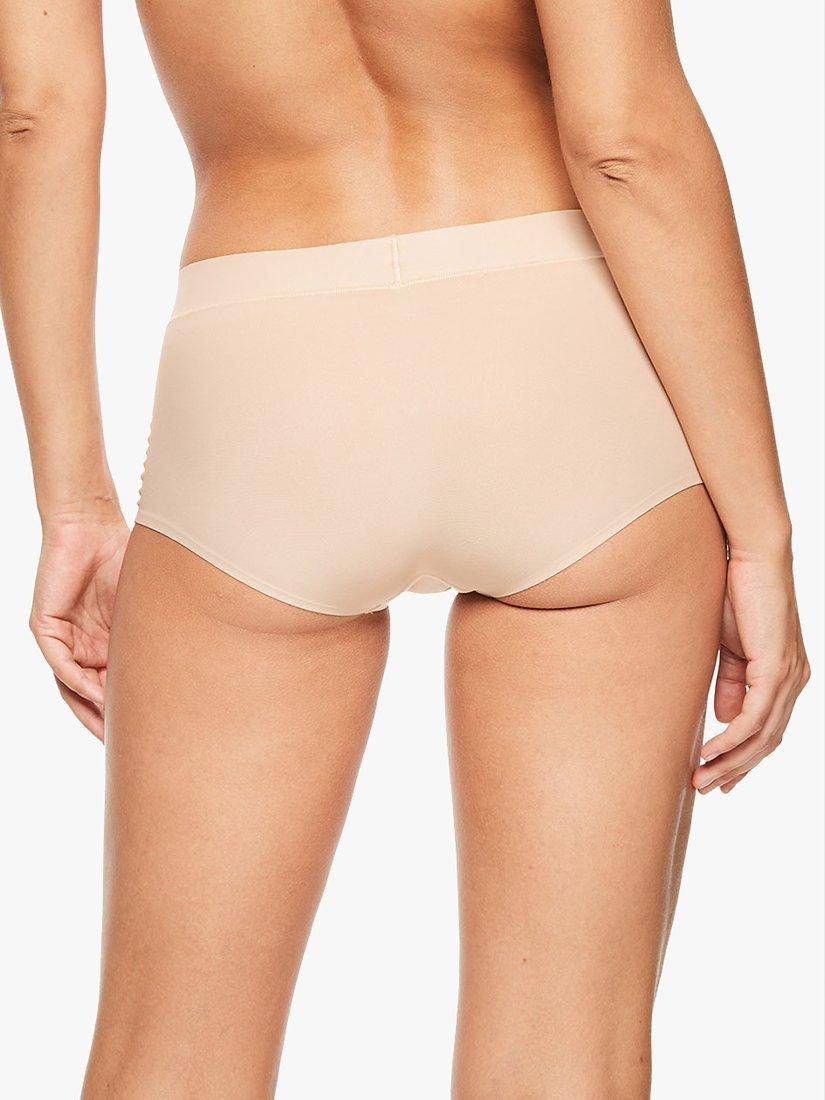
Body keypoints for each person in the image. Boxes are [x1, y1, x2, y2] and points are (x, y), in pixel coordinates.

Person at [0, 0, 809, 1096]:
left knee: (171, 1051)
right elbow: (623, 139)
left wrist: (74, 502)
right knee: (564, 1052)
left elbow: (36, 112)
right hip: (558, 345)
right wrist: (760, 531)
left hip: (267, 365)